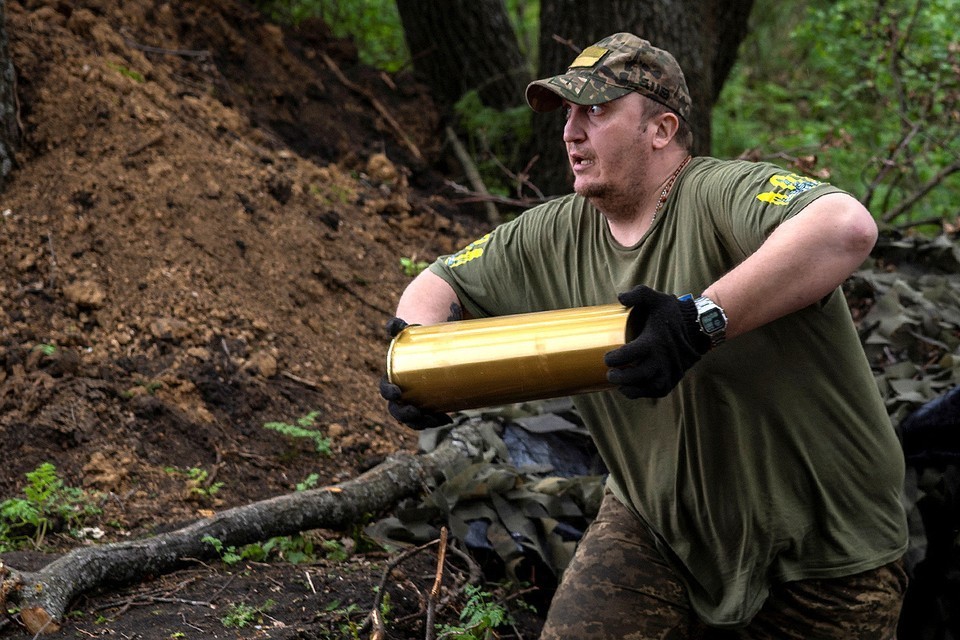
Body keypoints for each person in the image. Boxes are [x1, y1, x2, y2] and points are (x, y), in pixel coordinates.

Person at [380, 33, 908, 639]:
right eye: (569, 114)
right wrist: (418, 361)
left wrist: (699, 320)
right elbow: (440, 280)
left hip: (825, 550)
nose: (571, 132)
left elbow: (845, 226)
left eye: (596, 112)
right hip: (657, 526)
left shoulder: (720, 193)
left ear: (660, 129)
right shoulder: (553, 232)